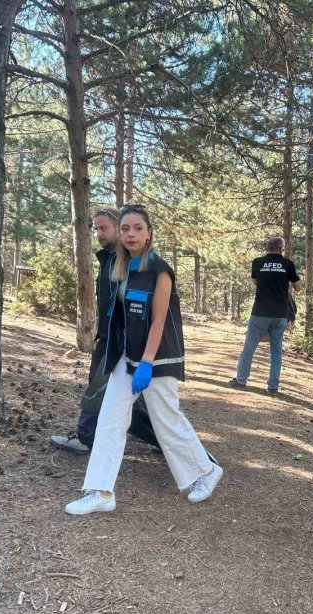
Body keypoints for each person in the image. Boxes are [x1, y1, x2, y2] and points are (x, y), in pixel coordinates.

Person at [65, 204, 222, 514]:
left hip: (157, 358)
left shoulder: (159, 270)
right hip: (126, 356)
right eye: (125, 229)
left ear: (149, 233)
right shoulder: (121, 268)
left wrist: (147, 362)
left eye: (137, 228)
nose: (131, 234)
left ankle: (206, 471)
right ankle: (101, 491)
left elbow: (159, 320)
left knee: (167, 420)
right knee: (110, 418)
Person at [50, 207, 130, 455]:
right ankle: (168, 444)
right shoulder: (109, 259)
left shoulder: (129, 261)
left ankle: (85, 438)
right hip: (109, 336)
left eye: (103, 228)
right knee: (144, 397)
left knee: (98, 386)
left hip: (119, 339)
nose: (99, 233)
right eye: (96, 229)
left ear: (119, 227)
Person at [228, 236, 301, 395]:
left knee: (249, 347)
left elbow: (255, 282)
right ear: (281, 248)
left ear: (267, 248)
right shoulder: (288, 264)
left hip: (260, 312)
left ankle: (241, 380)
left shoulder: (258, 262)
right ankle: (273, 387)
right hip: (280, 314)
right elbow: (298, 287)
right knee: (276, 351)